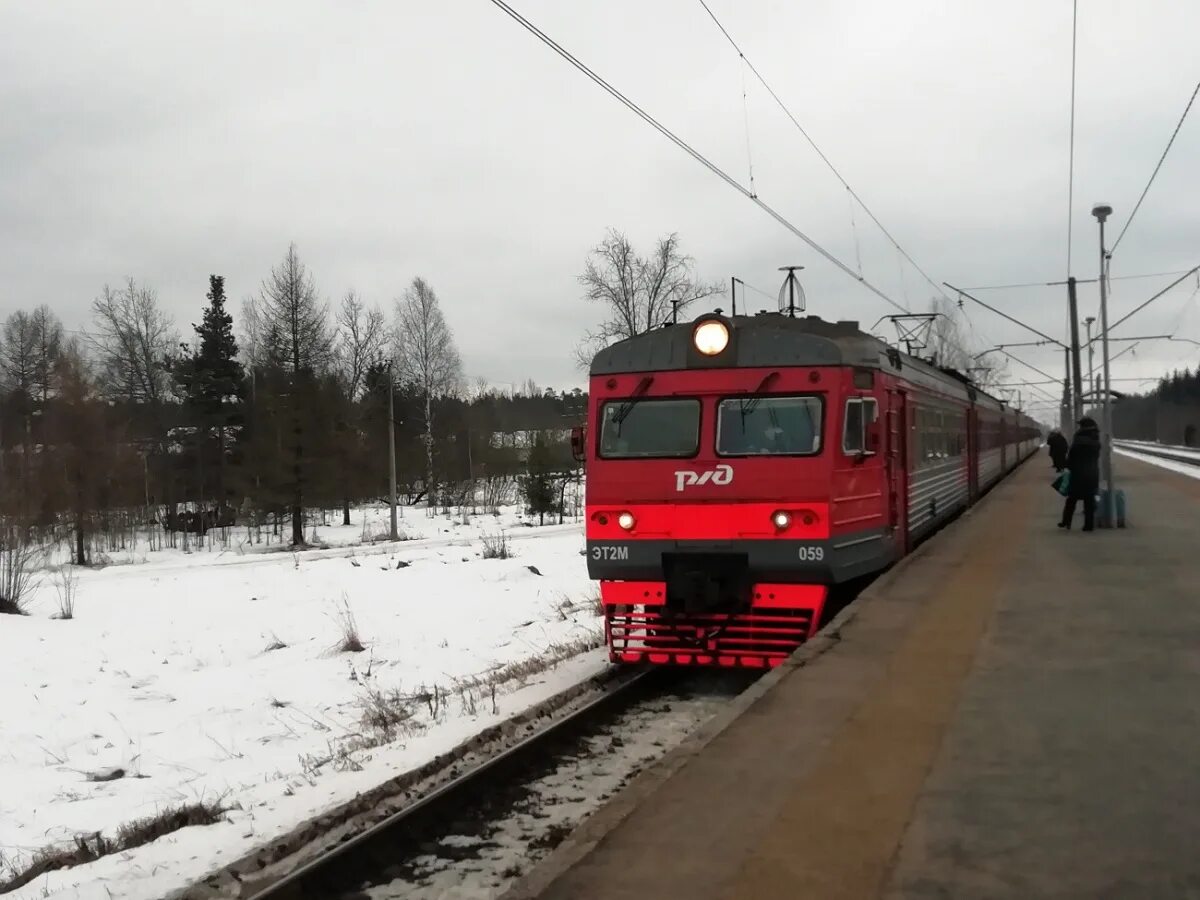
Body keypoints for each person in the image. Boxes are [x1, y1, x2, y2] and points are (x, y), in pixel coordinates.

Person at [1059, 417, 1101, 531]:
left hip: (1078, 473)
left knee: (1071, 499)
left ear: (1083, 426)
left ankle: (1066, 521)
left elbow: (1072, 456)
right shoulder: (1096, 438)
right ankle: (1089, 525)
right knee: (1089, 500)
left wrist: (1067, 466)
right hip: (1092, 473)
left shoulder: (1079, 438)